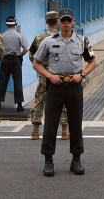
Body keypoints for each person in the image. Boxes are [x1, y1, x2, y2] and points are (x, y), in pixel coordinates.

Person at [32, 8, 96, 177]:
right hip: (55, 85)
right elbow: (36, 63)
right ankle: (48, 160)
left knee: (75, 124)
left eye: (69, 20)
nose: (66, 23)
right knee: (50, 124)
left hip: (74, 85)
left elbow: (92, 62)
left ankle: (76, 159)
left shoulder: (82, 41)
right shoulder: (48, 41)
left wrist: (82, 75)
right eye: (63, 20)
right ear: (58, 22)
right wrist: (49, 76)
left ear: (73, 22)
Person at [29, 11, 69, 141]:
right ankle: (64, 130)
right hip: (60, 73)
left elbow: (32, 56)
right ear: (58, 21)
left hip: (44, 74)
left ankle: (35, 130)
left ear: (46, 21)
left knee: (40, 100)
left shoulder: (39, 38)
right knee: (62, 100)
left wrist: (41, 67)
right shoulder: (63, 37)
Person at [0, 16, 30, 112]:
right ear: (15, 24)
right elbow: (26, 49)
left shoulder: (2, 35)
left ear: (6, 24)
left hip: (5, 59)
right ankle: (19, 105)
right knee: (17, 81)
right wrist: (21, 55)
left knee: (2, 81)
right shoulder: (19, 35)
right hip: (16, 59)